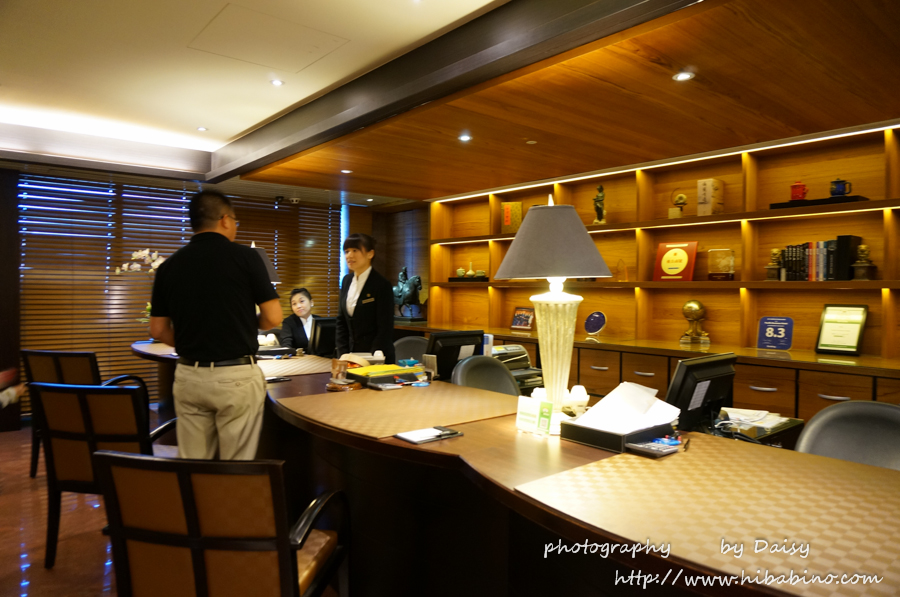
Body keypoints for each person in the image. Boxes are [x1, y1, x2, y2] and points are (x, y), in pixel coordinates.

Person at [150, 190, 281, 460]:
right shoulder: (247, 257)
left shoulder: (168, 267)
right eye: (235, 221)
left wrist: (190, 338)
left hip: (189, 374)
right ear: (224, 219)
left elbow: (158, 330)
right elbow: (273, 317)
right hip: (236, 376)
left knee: (193, 463)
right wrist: (243, 326)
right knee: (236, 466)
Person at [336, 233, 396, 364]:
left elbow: (385, 328)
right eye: (347, 251)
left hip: (376, 357)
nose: (349, 255)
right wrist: (343, 354)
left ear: (370, 254)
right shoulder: (346, 281)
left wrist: (371, 358)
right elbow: (341, 322)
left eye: (355, 250)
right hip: (350, 356)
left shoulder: (381, 284)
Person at [281, 288, 318, 352]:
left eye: (302, 301)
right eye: (294, 304)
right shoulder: (289, 322)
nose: (298, 306)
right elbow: (286, 344)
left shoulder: (319, 321)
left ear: (311, 302)